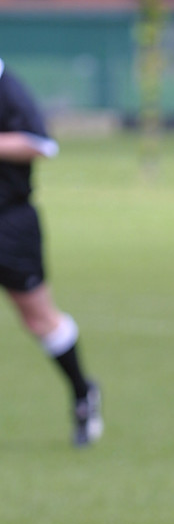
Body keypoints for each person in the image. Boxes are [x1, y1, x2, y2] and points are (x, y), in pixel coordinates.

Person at [0, 59, 102, 447]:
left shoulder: (8, 88)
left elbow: (40, 143)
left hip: (10, 224)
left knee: (39, 319)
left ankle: (82, 394)